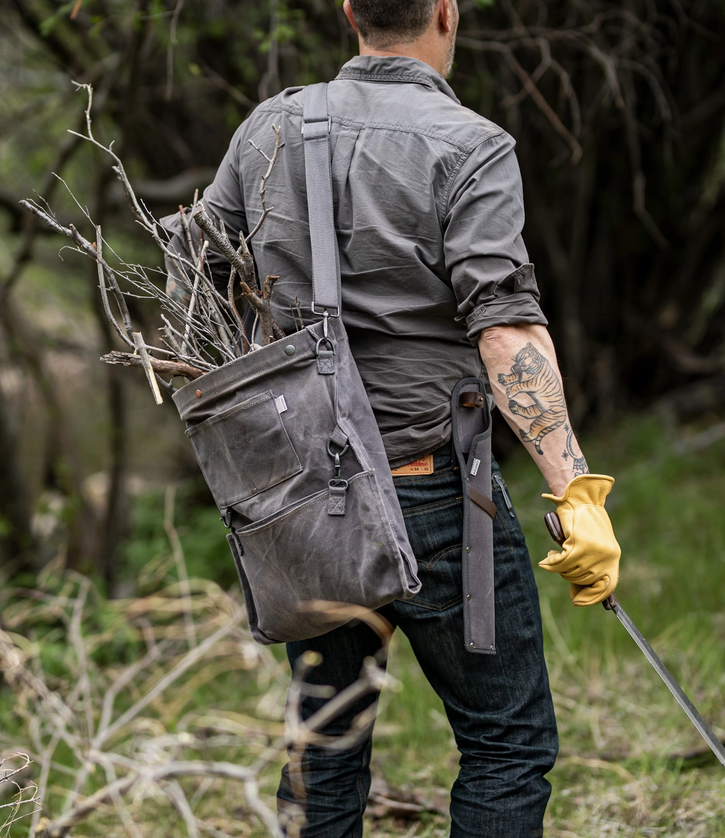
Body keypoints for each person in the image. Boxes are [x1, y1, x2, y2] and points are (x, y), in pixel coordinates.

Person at [162, 1, 621, 835]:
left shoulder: (266, 130)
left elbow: (190, 292)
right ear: (446, 10)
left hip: (303, 505)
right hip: (440, 496)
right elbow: (506, 328)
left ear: (348, 12)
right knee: (505, 744)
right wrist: (575, 494)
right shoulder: (471, 146)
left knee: (325, 749)